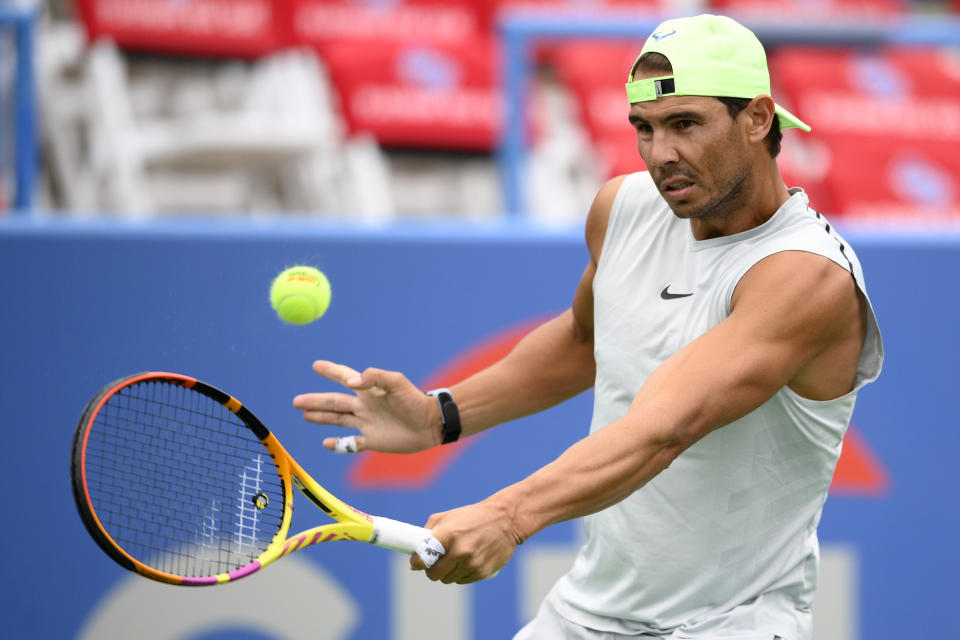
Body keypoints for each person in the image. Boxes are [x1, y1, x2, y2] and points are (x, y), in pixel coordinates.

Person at [293, 14, 883, 640]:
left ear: (759, 118)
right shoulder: (623, 207)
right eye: (645, 129)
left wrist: (509, 515)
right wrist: (443, 415)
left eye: (685, 124)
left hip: (733, 623)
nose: (662, 155)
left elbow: (665, 428)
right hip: (590, 612)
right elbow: (584, 341)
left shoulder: (806, 276)